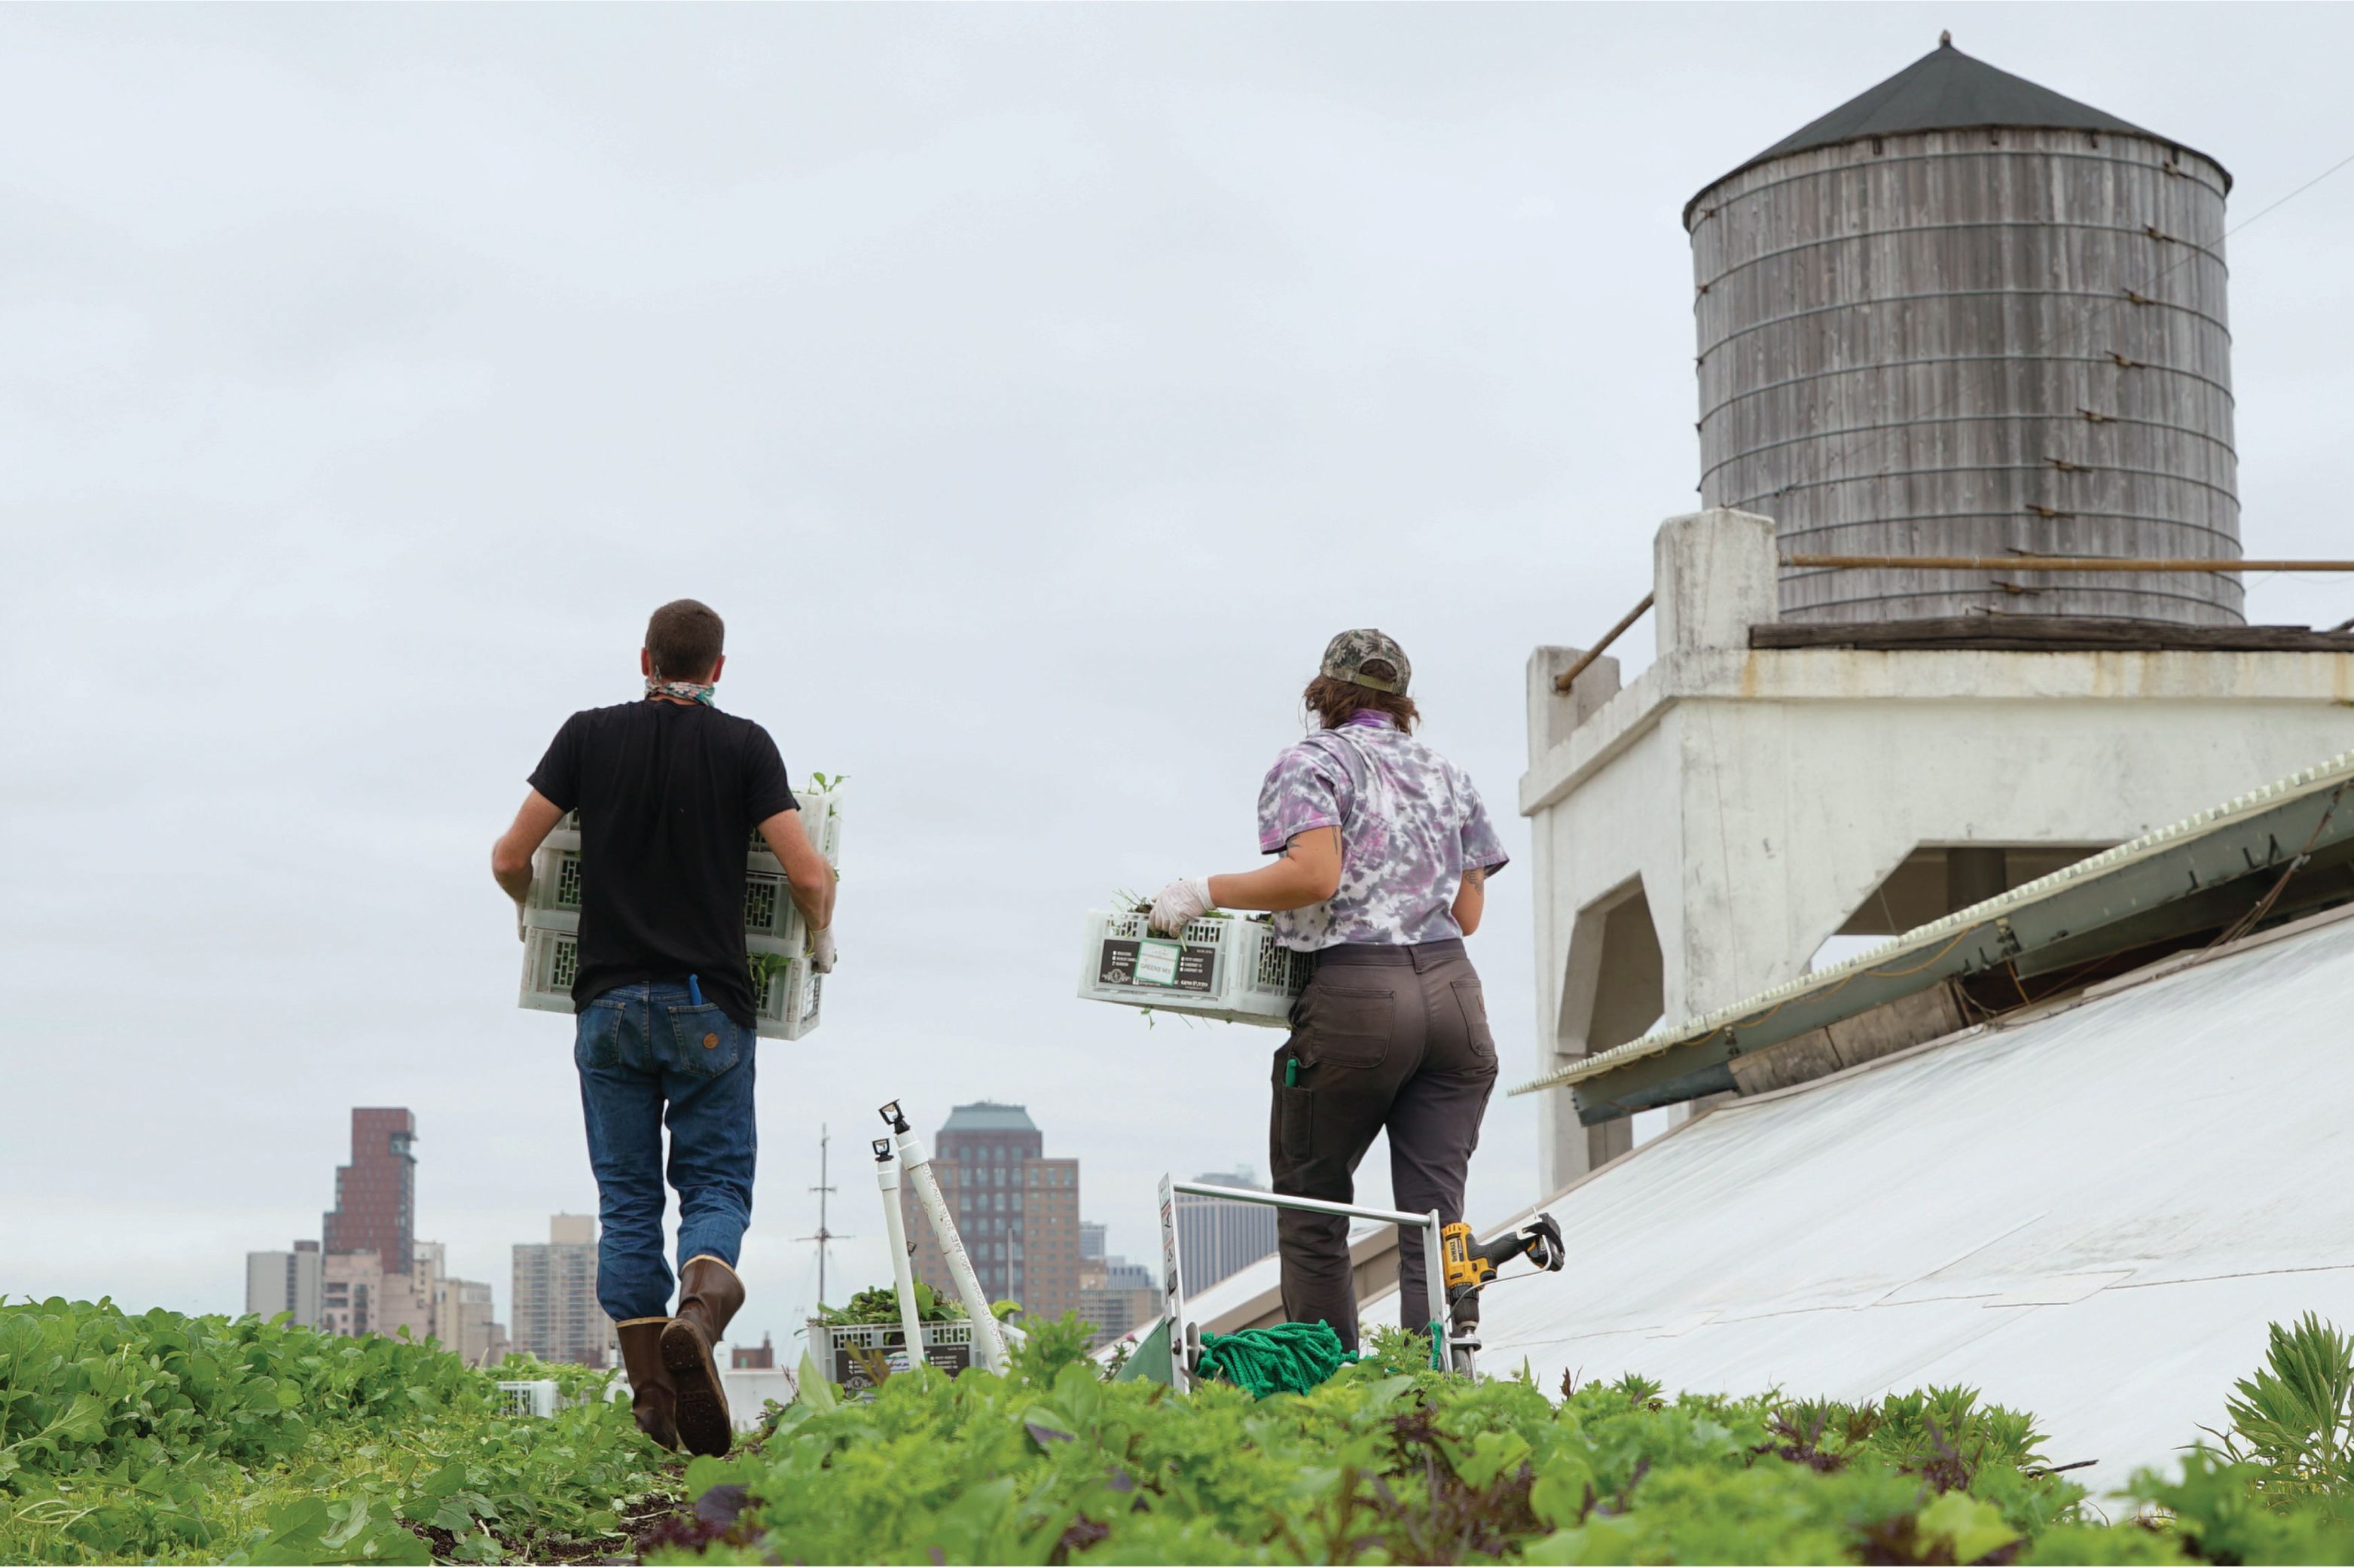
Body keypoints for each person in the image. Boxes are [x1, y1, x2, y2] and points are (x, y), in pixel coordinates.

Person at [490, 599, 835, 1456]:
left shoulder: (585, 737)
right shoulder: (745, 746)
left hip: (606, 1006)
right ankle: (700, 1315)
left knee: (628, 1201)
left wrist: (527, 915)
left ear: (642, 657)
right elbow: (808, 875)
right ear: (717, 669)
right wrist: (819, 936)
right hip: (706, 1004)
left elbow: (508, 857)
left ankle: (651, 1401)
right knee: (715, 1185)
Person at [1147, 629, 1507, 1353]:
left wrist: (1203, 891)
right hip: (1455, 1002)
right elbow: (1467, 915)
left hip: (1357, 998)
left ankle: (1332, 1396)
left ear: (1324, 693)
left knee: (1313, 1213)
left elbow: (1314, 875)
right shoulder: (1449, 774)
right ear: (1402, 702)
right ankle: (1432, 1395)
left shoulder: (1312, 761)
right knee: (1435, 1222)